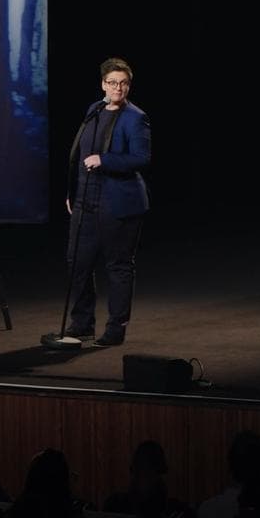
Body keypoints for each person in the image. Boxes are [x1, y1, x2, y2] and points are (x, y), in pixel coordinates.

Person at [63, 57, 151, 347]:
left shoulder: (136, 117)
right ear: (103, 84)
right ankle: (82, 323)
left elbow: (141, 158)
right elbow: (80, 156)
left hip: (119, 204)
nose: (118, 88)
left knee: (118, 267)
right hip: (86, 201)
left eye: (123, 83)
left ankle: (115, 330)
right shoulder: (95, 109)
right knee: (78, 263)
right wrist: (72, 193)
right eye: (112, 82)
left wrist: (105, 160)